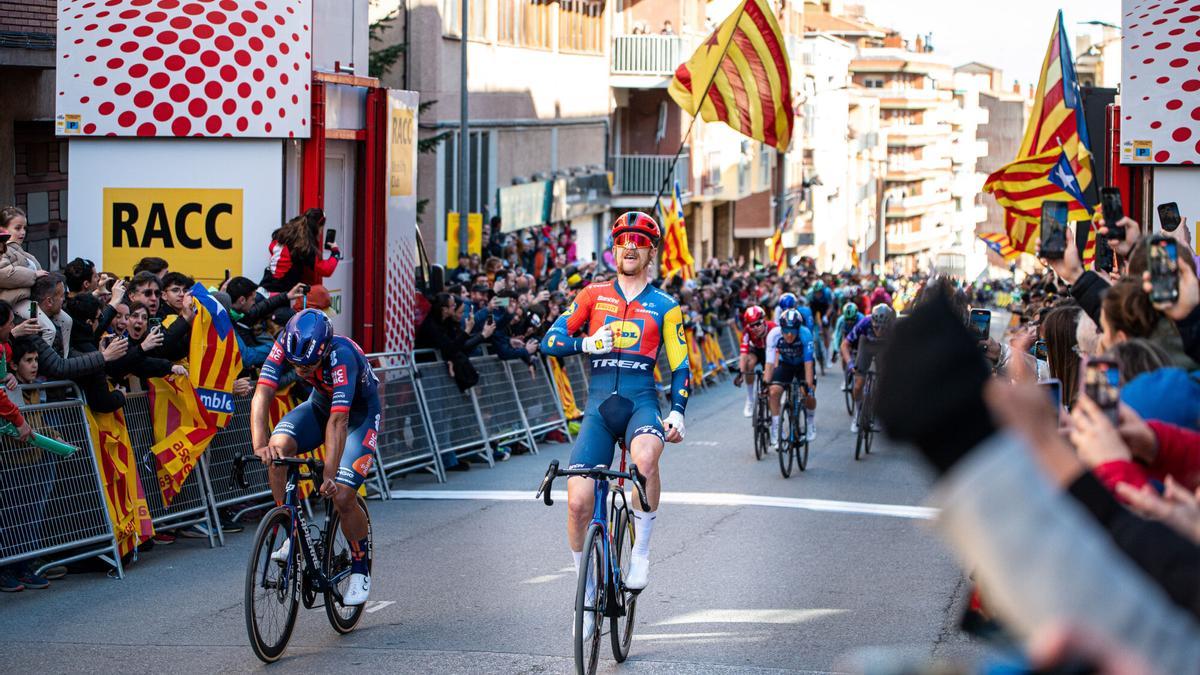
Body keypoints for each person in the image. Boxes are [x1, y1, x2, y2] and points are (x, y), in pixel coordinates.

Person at [540, 211, 689, 639]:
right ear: (614, 247)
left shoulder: (666, 306)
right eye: (623, 240)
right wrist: (586, 342)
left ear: (650, 251)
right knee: (577, 502)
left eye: (639, 241)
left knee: (644, 460)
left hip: (641, 403)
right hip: (599, 409)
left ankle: (640, 550)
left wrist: (677, 411)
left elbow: (680, 366)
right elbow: (550, 341)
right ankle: (586, 593)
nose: (630, 247)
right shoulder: (592, 295)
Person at [250, 309, 379, 606]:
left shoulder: (341, 355)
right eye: (295, 365)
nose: (301, 371)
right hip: (319, 405)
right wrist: (260, 444)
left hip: (358, 416)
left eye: (308, 366)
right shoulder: (285, 342)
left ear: (324, 351)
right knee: (278, 451)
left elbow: (338, 422)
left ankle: (360, 568)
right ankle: (290, 528)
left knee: (343, 495)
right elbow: (262, 393)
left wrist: (330, 475)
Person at [765, 308, 816, 446]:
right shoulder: (773, 335)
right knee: (773, 391)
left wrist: (808, 385)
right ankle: (777, 429)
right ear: (781, 328)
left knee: (808, 393)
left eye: (793, 331)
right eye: (786, 330)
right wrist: (766, 383)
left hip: (802, 365)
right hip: (786, 364)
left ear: (798, 329)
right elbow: (770, 363)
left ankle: (810, 422)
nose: (789, 335)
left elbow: (808, 364)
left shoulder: (805, 334)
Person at [259, 208, 341, 295]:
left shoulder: (282, 234)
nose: (321, 233)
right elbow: (326, 270)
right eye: (321, 229)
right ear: (317, 227)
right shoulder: (304, 246)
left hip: (263, 290)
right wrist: (335, 252)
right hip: (279, 294)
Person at [842, 304, 894, 433]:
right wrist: (850, 363)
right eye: (876, 327)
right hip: (866, 344)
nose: (879, 332)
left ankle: (877, 414)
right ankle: (859, 412)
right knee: (858, 384)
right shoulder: (864, 323)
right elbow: (845, 344)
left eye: (883, 328)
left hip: (883, 347)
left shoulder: (894, 327)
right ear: (872, 322)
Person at [736, 305, 774, 417]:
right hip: (756, 350)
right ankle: (750, 399)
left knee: (770, 374)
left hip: (770, 350)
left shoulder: (773, 328)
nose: (755, 328)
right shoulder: (747, 331)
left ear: (764, 320)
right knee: (748, 363)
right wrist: (741, 373)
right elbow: (743, 353)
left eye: (758, 324)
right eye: (752, 325)